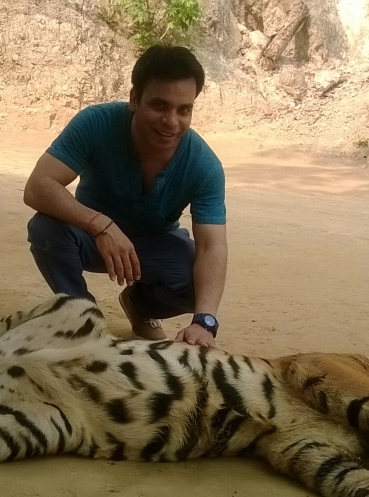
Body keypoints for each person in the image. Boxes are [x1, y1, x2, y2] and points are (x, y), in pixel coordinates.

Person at [24, 45, 227, 348]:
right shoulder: (95, 123)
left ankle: (142, 307)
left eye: (184, 109)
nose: (171, 121)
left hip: (152, 249)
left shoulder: (204, 165)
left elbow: (212, 246)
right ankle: (82, 318)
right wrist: (101, 225)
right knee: (44, 229)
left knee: (196, 276)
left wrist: (205, 322)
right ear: (134, 99)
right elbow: (38, 185)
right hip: (89, 237)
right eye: (159, 105)